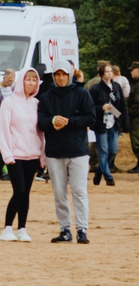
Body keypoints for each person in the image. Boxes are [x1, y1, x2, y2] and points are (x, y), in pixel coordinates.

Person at [39, 63, 98, 243]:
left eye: (63, 74)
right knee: (59, 193)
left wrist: (69, 121)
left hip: (78, 151)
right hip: (54, 152)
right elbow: (40, 122)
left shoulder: (81, 94)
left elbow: (91, 118)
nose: (60, 78)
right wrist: (52, 121)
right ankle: (65, 229)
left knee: (79, 191)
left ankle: (82, 229)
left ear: (70, 75)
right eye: (57, 74)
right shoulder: (46, 97)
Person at [1, 68, 41, 240]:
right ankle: (7, 227)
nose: (31, 83)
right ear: (21, 80)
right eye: (28, 79)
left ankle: (22, 228)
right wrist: (7, 155)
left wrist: (42, 156)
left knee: (26, 193)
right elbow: (3, 130)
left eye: (34, 80)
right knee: (19, 190)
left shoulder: (37, 104)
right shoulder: (8, 102)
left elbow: (41, 132)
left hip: (32, 156)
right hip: (15, 155)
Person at [88, 59, 122, 188]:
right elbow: (90, 106)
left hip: (113, 122)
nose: (109, 74)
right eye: (107, 72)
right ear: (102, 74)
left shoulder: (116, 87)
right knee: (103, 150)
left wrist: (122, 121)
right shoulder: (95, 88)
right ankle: (108, 177)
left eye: (111, 71)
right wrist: (101, 107)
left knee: (113, 150)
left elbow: (121, 106)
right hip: (100, 124)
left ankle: (99, 170)